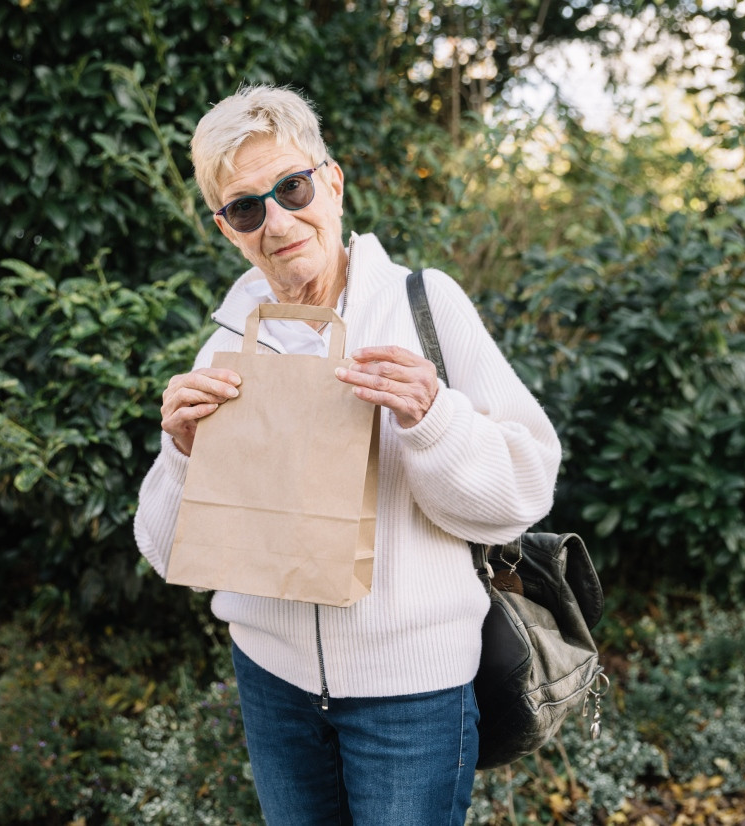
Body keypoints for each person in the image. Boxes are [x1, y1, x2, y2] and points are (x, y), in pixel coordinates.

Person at [133, 84, 561, 826]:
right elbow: (170, 554)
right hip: (272, 685)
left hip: (412, 694)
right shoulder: (228, 346)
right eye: (246, 208)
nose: (276, 221)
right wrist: (181, 455)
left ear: (332, 182)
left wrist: (434, 419)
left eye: (292, 188)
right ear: (227, 229)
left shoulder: (426, 307)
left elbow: (523, 496)